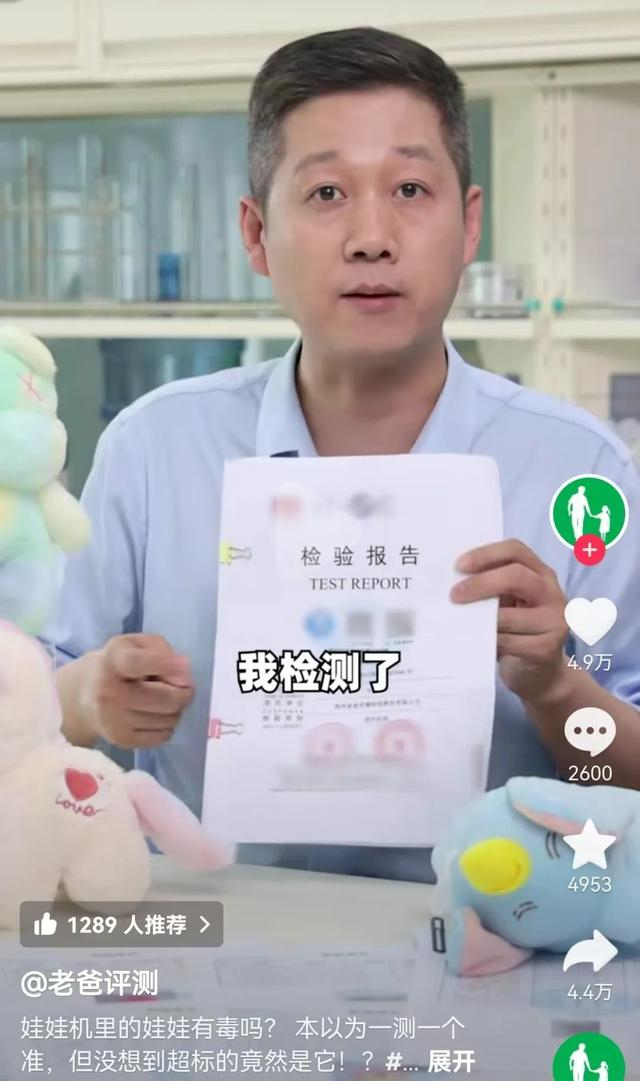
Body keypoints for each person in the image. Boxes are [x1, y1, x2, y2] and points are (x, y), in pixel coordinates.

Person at [47, 26, 640, 883]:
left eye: (410, 188)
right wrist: (89, 695)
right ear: (257, 234)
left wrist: (554, 685)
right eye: (326, 192)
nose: (371, 237)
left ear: (469, 223)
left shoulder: (579, 471)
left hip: (486, 943)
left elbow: (629, 781)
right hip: (210, 940)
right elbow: (26, 710)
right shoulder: (155, 448)